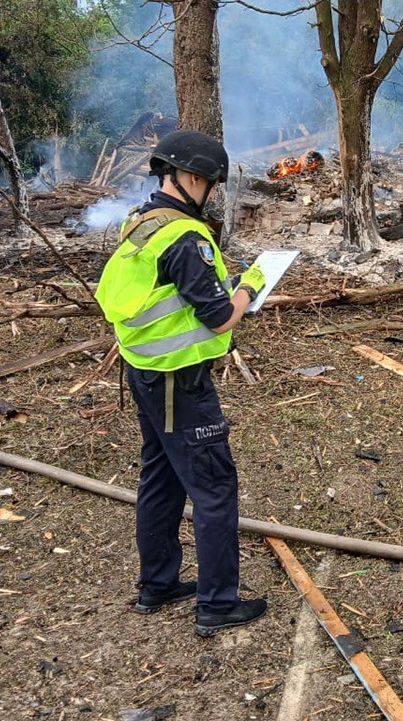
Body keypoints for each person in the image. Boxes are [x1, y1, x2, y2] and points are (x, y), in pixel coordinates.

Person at [95, 130, 268, 637]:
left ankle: (158, 584)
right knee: (214, 486)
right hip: (178, 381)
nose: (210, 193)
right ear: (192, 177)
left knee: (162, 475)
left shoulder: (143, 222)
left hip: (145, 372)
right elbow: (218, 318)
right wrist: (248, 289)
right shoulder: (186, 238)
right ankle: (217, 604)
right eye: (211, 184)